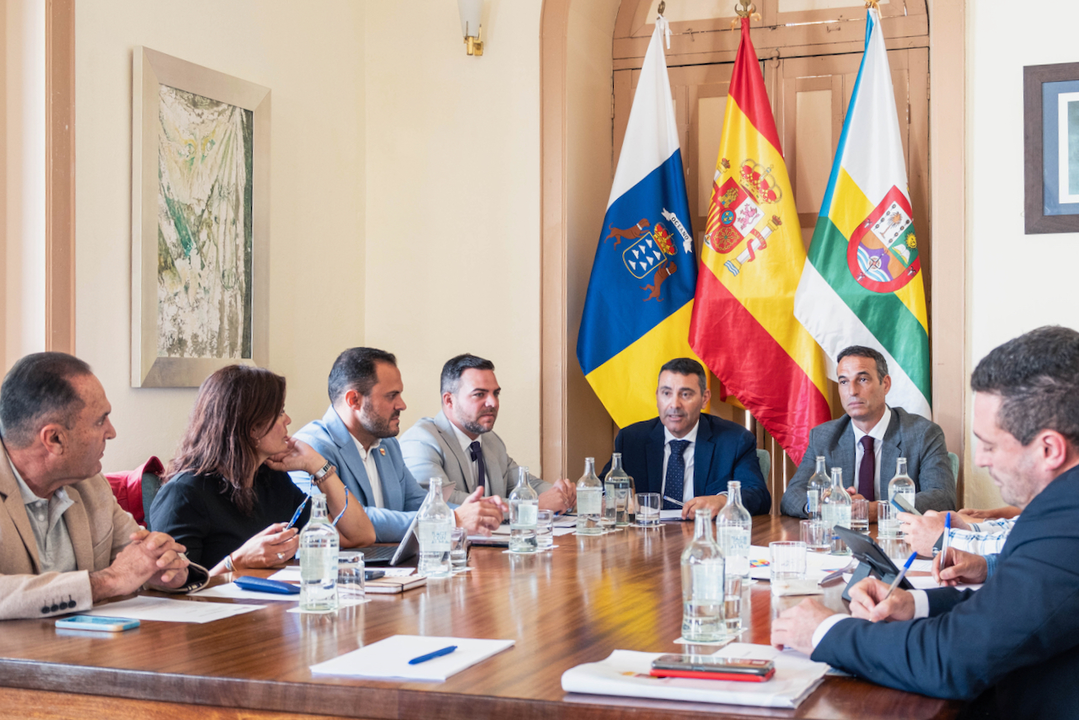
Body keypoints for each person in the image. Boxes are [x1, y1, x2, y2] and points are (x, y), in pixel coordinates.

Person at [771, 326, 1079, 718]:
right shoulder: (1059, 506)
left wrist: (823, 630)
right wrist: (912, 602)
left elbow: (952, 658)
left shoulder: (1066, 525)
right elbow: (1009, 606)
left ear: (1049, 448)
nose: (981, 461)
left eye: (988, 445)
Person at [0, 352, 205, 620]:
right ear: (55, 438)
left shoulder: (90, 485)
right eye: (100, 420)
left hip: (85, 653)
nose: (111, 432)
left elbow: (138, 557)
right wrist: (106, 581)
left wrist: (166, 571)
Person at [150, 365, 375, 575]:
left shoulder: (270, 479)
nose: (288, 420)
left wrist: (317, 466)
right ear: (251, 427)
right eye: (279, 412)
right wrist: (236, 561)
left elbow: (358, 535)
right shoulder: (184, 495)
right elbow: (175, 591)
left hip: (266, 611)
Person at [294, 348, 503, 543]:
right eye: (391, 396)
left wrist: (475, 513)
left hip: (396, 570)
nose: (402, 405)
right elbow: (347, 521)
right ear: (354, 400)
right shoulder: (310, 449)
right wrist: (452, 519)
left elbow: (418, 502)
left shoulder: (388, 445)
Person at [780, 345, 955, 520]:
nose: (852, 391)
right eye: (843, 382)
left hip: (899, 540)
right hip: (841, 540)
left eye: (862, 379)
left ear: (885, 384)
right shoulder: (823, 437)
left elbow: (942, 497)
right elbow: (792, 496)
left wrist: (878, 510)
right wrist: (823, 507)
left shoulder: (923, 434)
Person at [400, 354, 575, 510]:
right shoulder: (421, 440)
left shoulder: (490, 440)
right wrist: (530, 506)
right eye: (479, 394)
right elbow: (439, 501)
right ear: (449, 400)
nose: (493, 403)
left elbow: (525, 484)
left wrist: (560, 493)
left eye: (495, 393)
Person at [602, 358, 770, 518]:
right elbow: (604, 488)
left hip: (705, 539)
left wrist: (723, 501)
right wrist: (592, 498)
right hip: (646, 540)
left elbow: (758, 495)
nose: (674, 404)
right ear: (657, 397)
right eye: (666, 393)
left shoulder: (734, 440)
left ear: (704, 399)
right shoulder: (631, 440)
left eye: (685, 394)